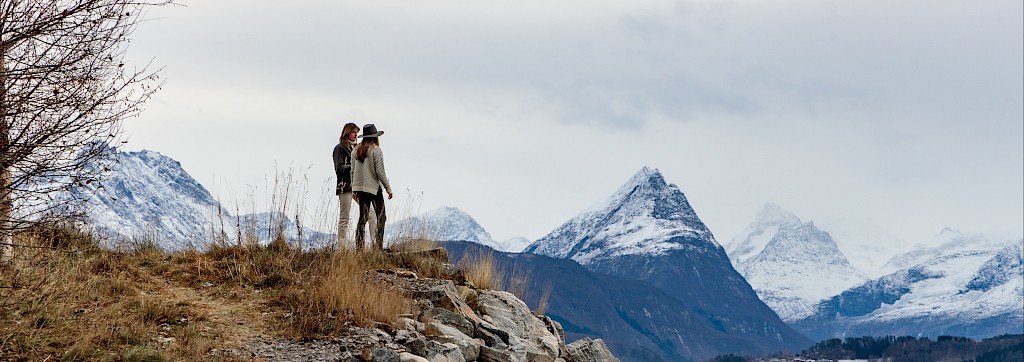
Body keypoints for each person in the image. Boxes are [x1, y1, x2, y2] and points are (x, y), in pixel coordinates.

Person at [332, 123, 376, 249]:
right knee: (345, 217)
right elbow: (338, 168)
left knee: (371, 212)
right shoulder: (339, 149)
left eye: (357, 132)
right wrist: (354, 167)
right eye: (353, 132)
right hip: (345, 185)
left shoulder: (357, 148)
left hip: (358, 186)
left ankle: (375, 244)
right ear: (347, 133)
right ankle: (342, 248)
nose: (356, 134)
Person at [351, 124, 393, 251]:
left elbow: (352, 171)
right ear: (375, 137)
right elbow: (380, 172)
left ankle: (359, 248)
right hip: (374, 188)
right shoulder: (376, 150)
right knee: (382, 216)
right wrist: (388, 188)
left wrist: (354, 189)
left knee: (362, 219)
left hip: (360, 189)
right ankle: (378, 247)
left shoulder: (355, 150)